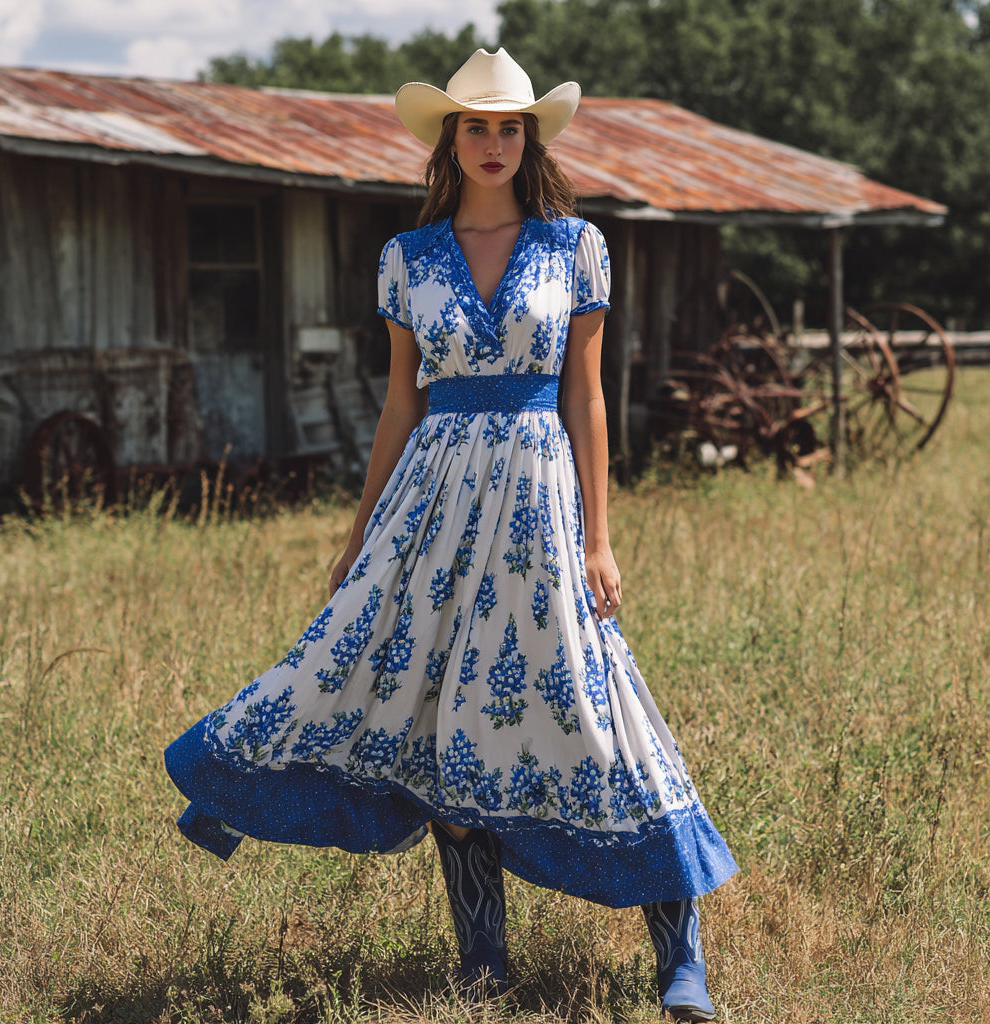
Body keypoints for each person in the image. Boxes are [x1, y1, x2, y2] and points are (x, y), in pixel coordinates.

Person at [165, 47, 737, 1022]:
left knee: (597, 709)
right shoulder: (407, 259)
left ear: (529, 138)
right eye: (475, 126)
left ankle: (679, 960)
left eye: (509, 126)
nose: (492, 142)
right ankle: (481, 961)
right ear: (447, 137)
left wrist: (600, 537)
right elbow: (400, 405)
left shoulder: (576, 246)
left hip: (538, 497)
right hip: (430, 503)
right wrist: (358, 532)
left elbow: (586, 398)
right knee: (437, 713)